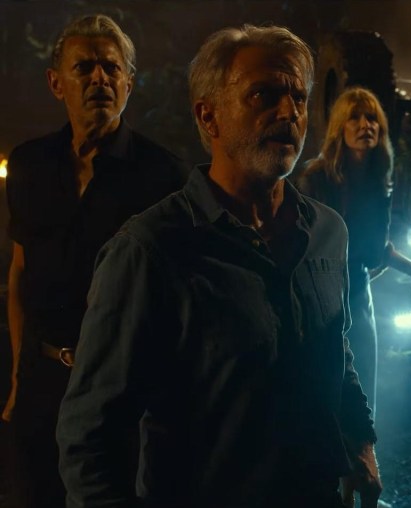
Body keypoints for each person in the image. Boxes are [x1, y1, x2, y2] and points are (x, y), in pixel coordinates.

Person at [56, 25, 382, 508]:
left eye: (298, 96)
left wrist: (360, 439)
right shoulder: (151, 250)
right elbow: (90, 439)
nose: (289, 112)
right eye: (263, 94)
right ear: (208, 115)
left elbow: (334, 343)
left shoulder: (328, 233)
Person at [2, 14, 187, 507]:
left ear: (129, 81)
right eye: (83, 67)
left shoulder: (163, 176)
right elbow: (20, 273)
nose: (99, 78)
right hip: (41, 384)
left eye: (111, 67)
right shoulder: (29, 164)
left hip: (122, 394)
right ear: (55, 82)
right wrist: (20, 380)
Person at [297, 87, 411, 416]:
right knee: (322, 393)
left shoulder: (379, 180)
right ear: (340, 127)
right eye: (355, 118)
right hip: (319, 293)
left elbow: (375, 251)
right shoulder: (316, 178)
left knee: (363, 394)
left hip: (358, 289)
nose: (366, 125)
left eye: (372, 118)